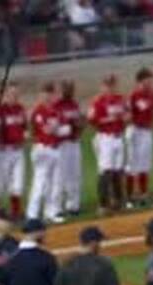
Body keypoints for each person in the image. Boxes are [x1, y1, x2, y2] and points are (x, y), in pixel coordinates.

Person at [27, 83, 67, 223]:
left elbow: (65, 129)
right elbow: (47, 130)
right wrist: (58, 130)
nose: (48, 96)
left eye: (50, 93)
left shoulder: (56, 111)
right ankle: (32, 215)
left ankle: (51, 212)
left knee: (55, 183)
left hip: (56, 149)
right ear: (40, 95)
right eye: (45, 93)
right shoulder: (38, 111)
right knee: (40, 183)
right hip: (42, 150)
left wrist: (58, 130)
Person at [87, 75, 128, 212]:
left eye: (112, 85)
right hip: (106, 138)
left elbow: (127, 114)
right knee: (106, 170)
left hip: (119, 137)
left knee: (117, 170)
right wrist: (109, 119)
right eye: (107, 85)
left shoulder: (120, 100)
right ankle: (103, 204)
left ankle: (118, 201)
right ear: (103, 87)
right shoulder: (98, 102)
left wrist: (125, 118)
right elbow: (92, 120)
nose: (110, 88)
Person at [125, 68, 153, 207]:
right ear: (141, 80)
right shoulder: (134, 95)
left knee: (145, 164)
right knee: (132, 164)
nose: (151, 81)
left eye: (151, 79)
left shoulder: (151, 94)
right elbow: (128, 114)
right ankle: (130, 196)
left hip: (147, 132)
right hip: (135, 131)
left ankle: (144, 194)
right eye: (149, 79)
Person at [0, 83, 27, 220]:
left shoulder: (20, 109)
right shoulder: (0, 110)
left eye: (16, 94)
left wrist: (24, 136)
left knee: (18, 181)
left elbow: (24, 126)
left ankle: (16, 212)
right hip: (3, 152)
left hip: (17, 150)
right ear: (5, 95)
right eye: (12, 94)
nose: (14, 97)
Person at [54, 81, 85, 217]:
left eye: (71, 89)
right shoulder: (56, 106)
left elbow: (80, 123)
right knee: (60, 176)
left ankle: (74, 205)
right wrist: (72, 126)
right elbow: (56, 128)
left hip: (74, 144)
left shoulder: (74, 105)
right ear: (62, 90)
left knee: (75, 174)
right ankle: (57, 207)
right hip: (61, 145)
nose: (70, 92)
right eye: (67, 89)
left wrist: (81, 126)